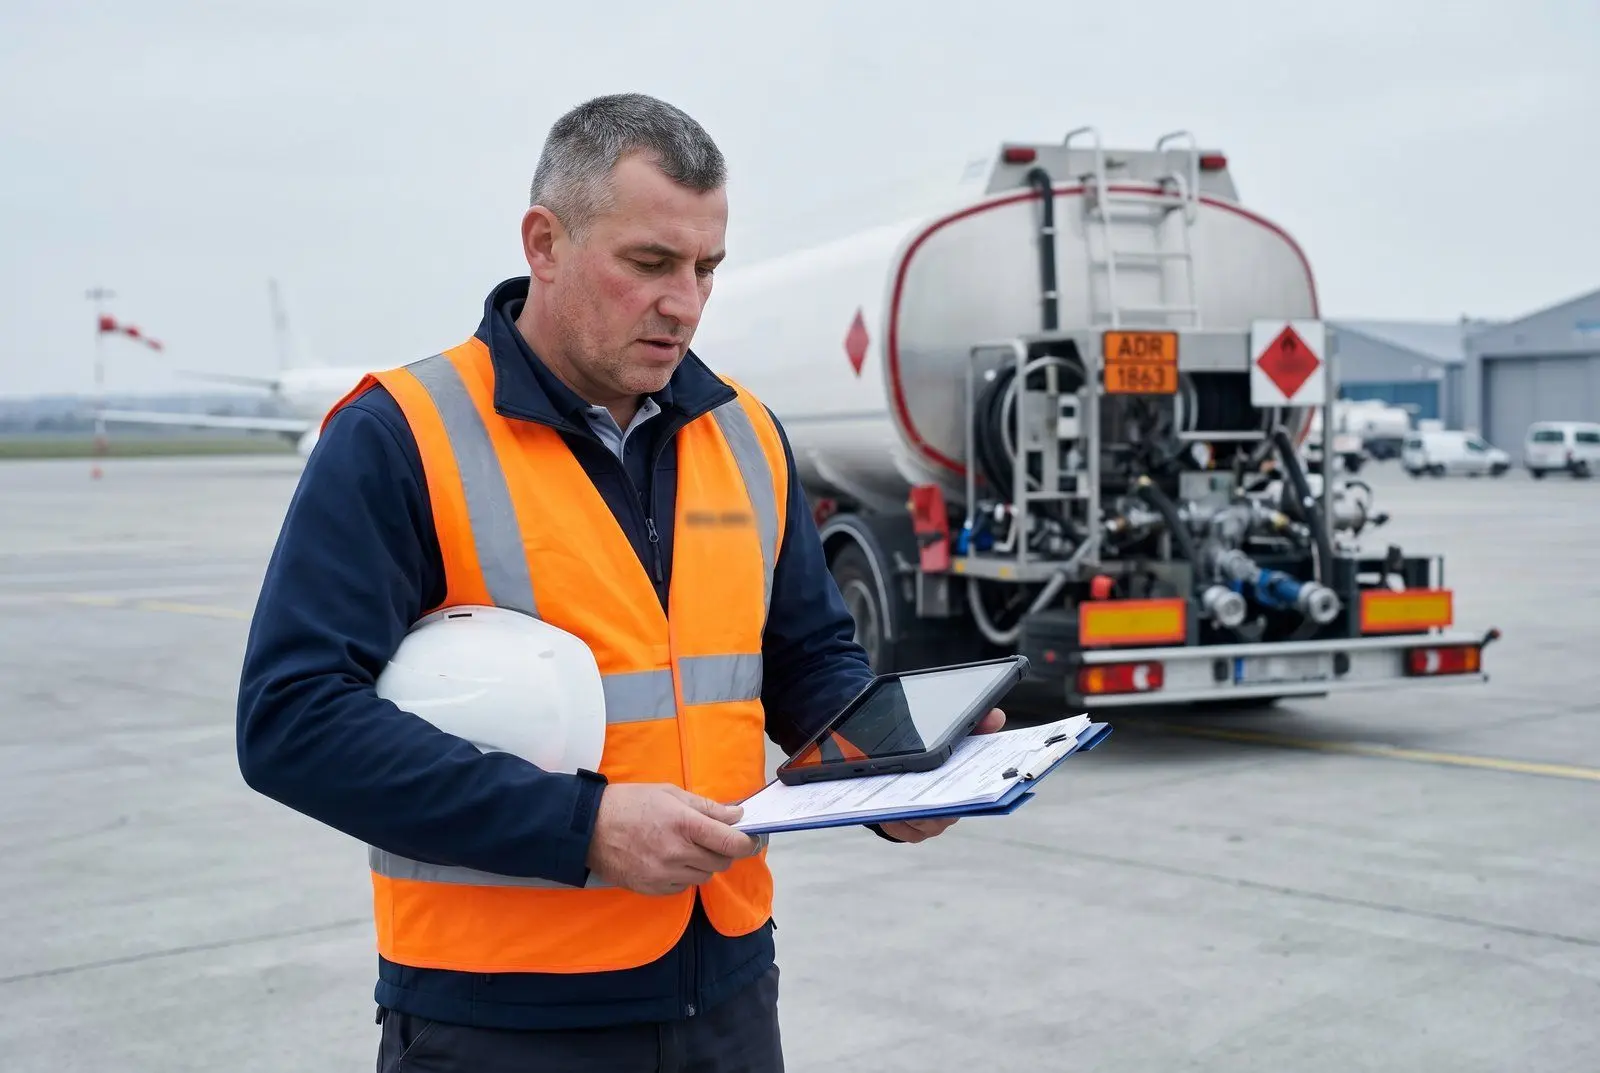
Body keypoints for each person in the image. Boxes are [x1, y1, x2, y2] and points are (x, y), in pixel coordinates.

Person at [235, 92, 1005, 1072]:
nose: (682, 300)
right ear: (544, 243)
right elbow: (291, 721)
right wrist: (584, 826)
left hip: (725, 990)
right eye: (648, 263)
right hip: (497, 1019)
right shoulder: (400, 435)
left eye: (705, 267)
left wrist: (890, 770)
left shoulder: (749, 436)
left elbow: (809, 659)